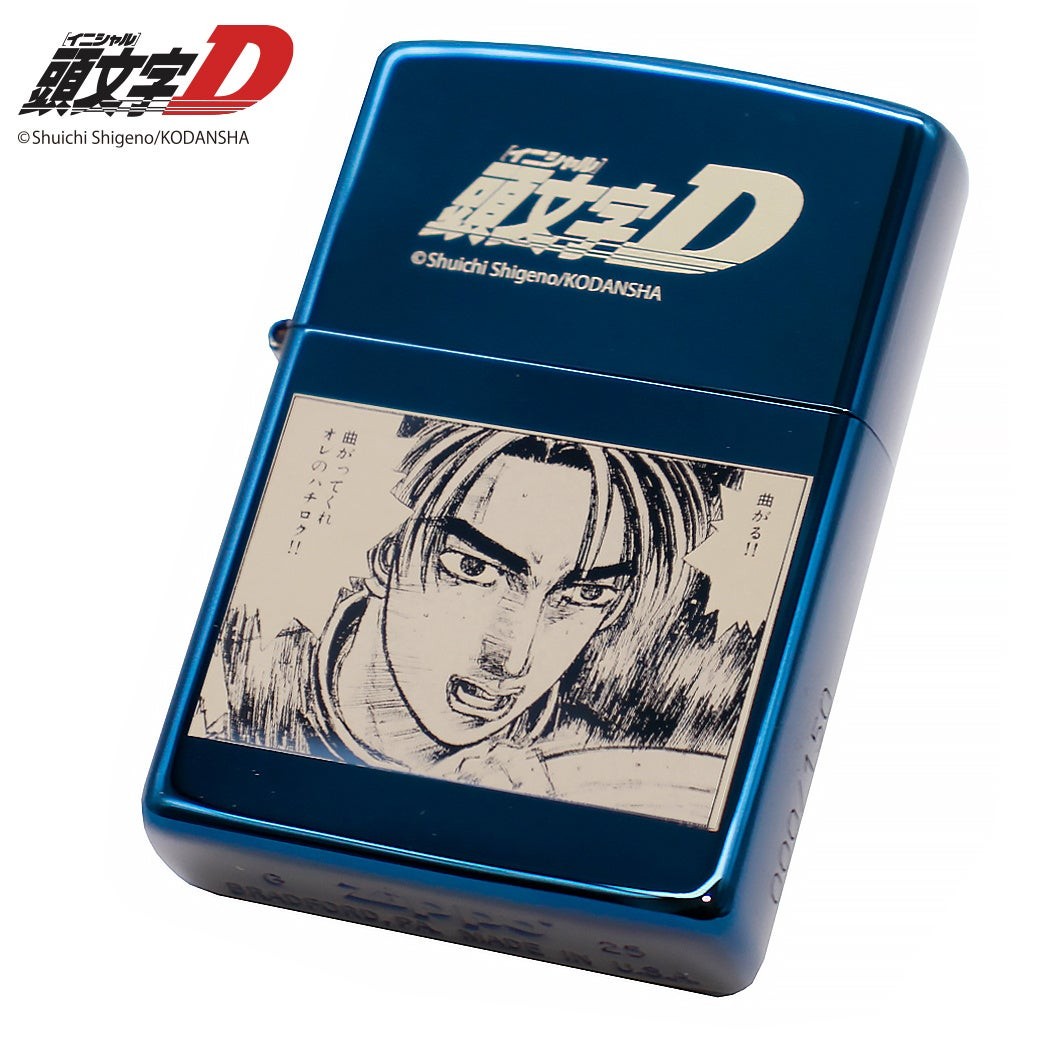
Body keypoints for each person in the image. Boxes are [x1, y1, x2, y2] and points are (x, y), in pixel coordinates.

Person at [193, 415, 753, 825]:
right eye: (472, 567)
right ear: (388, 554)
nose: (511, 657)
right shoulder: (228, 692)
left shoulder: (596, 764)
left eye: (585, 594)